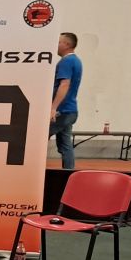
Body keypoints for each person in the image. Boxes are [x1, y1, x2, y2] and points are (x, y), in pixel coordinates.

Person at [50, 32, 82, 170]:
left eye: (58, 42)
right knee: (65, 145)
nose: (56, 45)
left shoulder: (67, 62)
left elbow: (64, 84)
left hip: (62, 111)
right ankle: (68, 172)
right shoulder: (76, 61)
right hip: (70, 110)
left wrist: (53, 108)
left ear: (67, 44)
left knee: (38, 140)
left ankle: (31, 171)